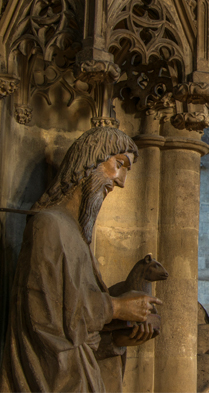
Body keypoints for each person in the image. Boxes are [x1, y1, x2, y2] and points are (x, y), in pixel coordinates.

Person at [0, 127, 162, 392]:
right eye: (118, 165)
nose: (120, 181)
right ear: (90, 160)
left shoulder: (77, 235)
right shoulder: (49, 225)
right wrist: (116, 308)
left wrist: (123, 335)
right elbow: (43, 317)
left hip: (81, 376)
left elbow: (76, 331)